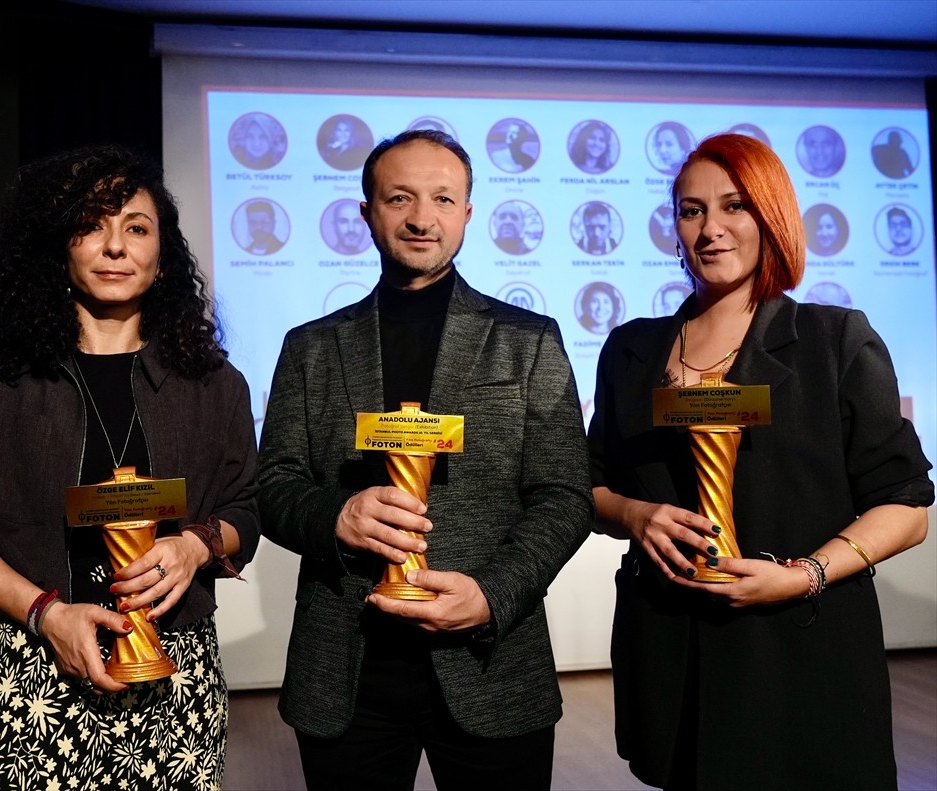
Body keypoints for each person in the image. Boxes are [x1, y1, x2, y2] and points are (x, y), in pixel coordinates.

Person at [588, 133, 932, 790]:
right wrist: (636, 514)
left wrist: (803, 574)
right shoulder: (631, 351)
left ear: (770, 215)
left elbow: (906, 507)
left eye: (733, 206)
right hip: (670, 653)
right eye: (691, 211)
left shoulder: (833, 342)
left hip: (800, 654)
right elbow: (589, 483)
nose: (710, 229)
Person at [0, 145, 260, 790]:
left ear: (162, 258)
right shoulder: (4, 383)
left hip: (175, 675)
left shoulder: (214, 385)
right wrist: (46, 614)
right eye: (90, 225)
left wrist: (193, 548)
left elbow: (245, 509)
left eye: (136, 227)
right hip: (36, 668)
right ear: (61, 249)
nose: (114, 247)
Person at [257, 129, 594, 791]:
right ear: (366, 212)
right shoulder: (312, 348)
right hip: (347, 667)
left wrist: (490, 595)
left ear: (467, 211)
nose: (420, 217)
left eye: (443, 198)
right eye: (400, 197)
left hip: (490, 658)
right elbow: (272, 486)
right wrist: (337, 515)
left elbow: (566, 493)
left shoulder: (528, 341)